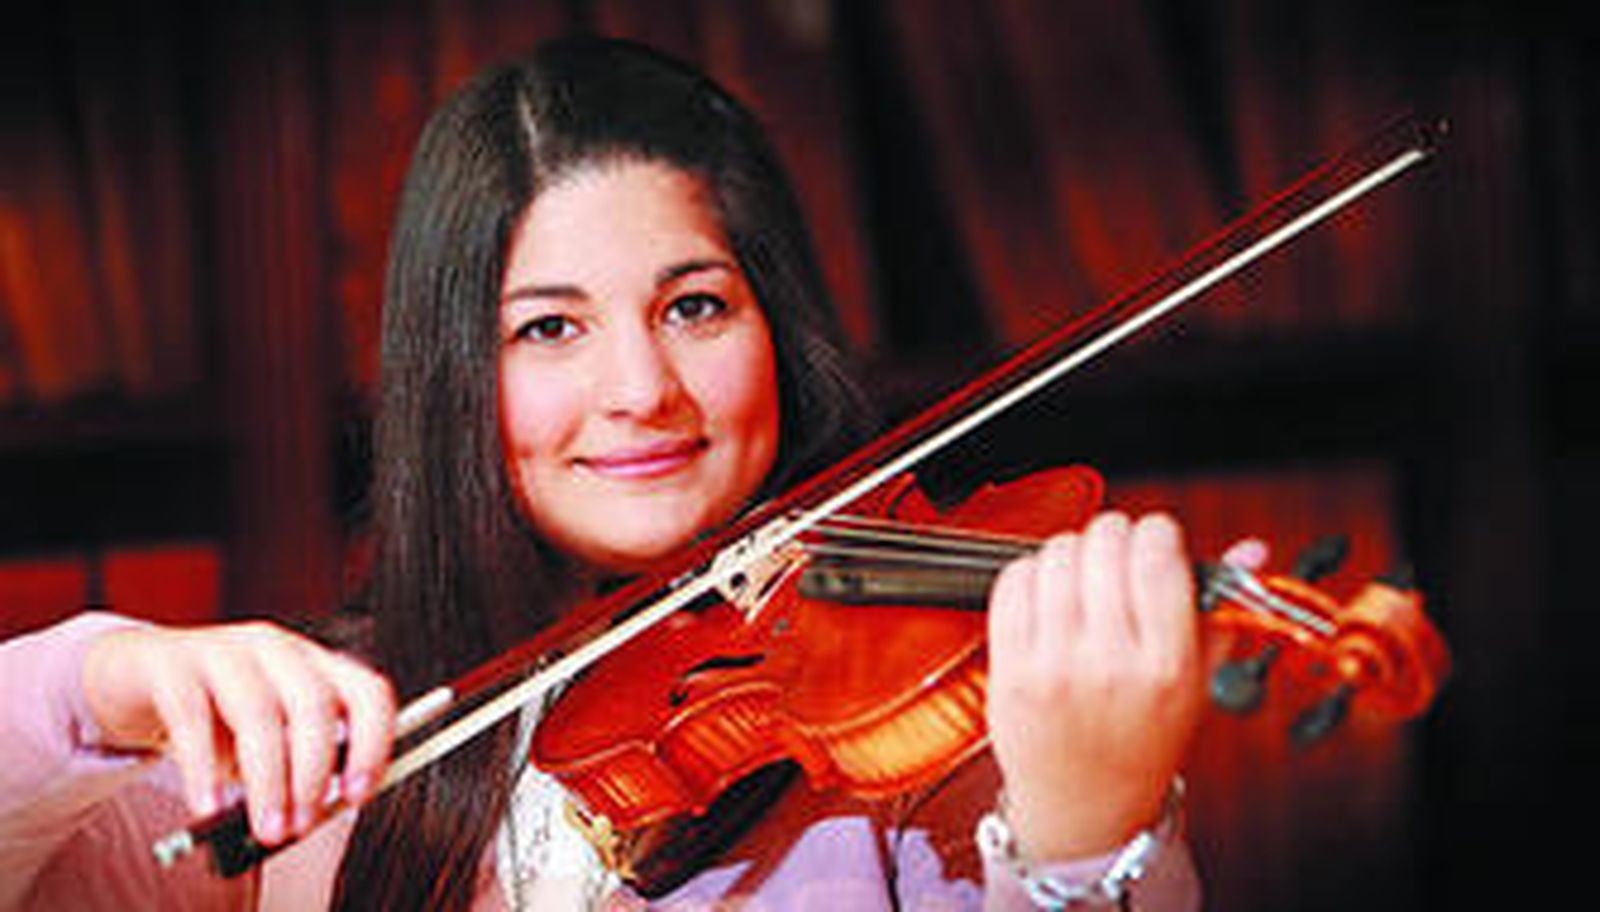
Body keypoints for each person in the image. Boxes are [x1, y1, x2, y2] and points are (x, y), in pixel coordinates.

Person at [0, 37, 1216, 910]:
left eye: (694, 306)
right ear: (452, 376)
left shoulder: (919, 765)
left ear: (774, 333)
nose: (640, 388)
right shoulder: (321, 753)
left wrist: (1084, 834)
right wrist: (99, 681)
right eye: (548, 328)